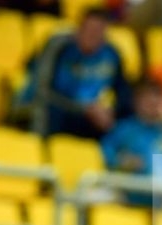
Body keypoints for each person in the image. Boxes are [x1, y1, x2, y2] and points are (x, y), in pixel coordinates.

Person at [30, 8, 132, 139]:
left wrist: (112, 113)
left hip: (89, 116)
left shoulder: (111, 54)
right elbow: (42, 91)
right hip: (53, 111)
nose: (93, 36)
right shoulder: (59, 47)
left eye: (99, 32)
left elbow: (123, 91)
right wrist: (84, 109)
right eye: (89, 30)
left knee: (124, 125)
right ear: (78, 29)